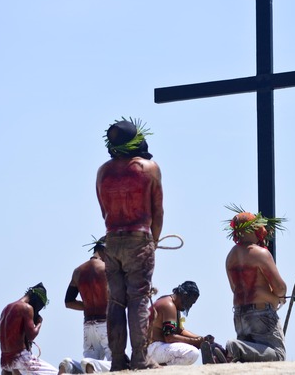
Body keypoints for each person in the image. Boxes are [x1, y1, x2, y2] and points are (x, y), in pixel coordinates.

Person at [96, 117, 163, 371]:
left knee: (115, 301)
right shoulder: (150, 168)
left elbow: (104, 209)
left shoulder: (103, 171)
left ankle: (116, 359)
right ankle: (139, 357)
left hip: (112, 238)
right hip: (139, 237)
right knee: (138, 299)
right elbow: (158, 211)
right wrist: (153, 242)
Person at [222, 207, 288, 363]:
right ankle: (234, 347)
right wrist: (279, 298)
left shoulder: (230, 256)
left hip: (239, 314)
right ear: (252, 229)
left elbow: (234, 288)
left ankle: (224, 351)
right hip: (261, 315)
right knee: (278, 356)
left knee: (250, 359)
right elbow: (280, 287)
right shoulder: (260, 253)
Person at [58, 237, 112, 374]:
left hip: (88, 325)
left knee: (86, 366)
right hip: (105, 323)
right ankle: (90, 364)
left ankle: (68, 365)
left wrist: (87, 305)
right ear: (104, 250)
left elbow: (69, 302)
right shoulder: (108, 269)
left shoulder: (78, 271)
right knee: (116, 363)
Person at [0, 283, 56, 374]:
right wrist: (39, 323)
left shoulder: (6, 308)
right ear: (36, 299)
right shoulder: (27, 308)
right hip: (21, 359)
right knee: (58, 373)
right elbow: (31, 336)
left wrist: (14, 341)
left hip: (5, 362)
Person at [147, 281, 209, 365]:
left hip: (156, 348)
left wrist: (201, 338)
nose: (190, 305)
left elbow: (180, 331)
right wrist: (194, 342)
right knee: (192, 353)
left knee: (190, 349)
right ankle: (160, 367)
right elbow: (169, 337)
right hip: (151, 349)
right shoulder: (168, 305)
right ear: (185, 295)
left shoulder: (174, 304)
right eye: (191, 302)